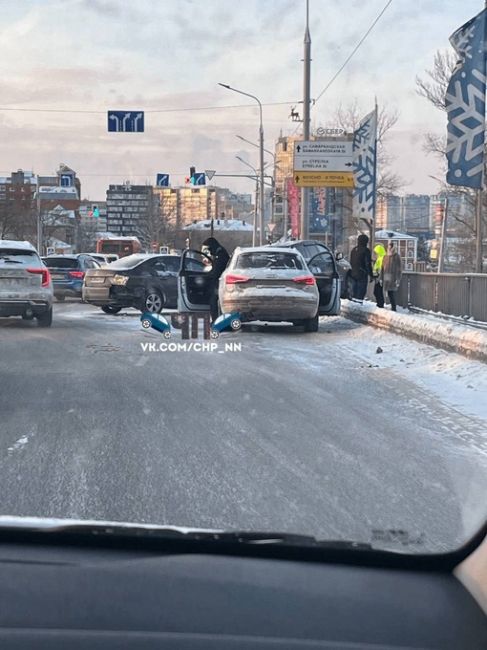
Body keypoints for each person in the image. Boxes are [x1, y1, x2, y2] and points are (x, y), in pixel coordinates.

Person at [201, 237, 230, 321]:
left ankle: (216, 321)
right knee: (214, 302)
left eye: (209, 249)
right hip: (219, 282)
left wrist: (209, 276)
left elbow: (218, 270)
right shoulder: (219, 253)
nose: (209, 252)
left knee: (214, 302)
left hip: (220, 283)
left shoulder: (220, 254)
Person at [349, 234, 373, 303]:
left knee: (354, 291)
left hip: (353, 273)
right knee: (361, 291)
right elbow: (368, 264)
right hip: (362, 274)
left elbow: (351, 262)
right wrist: (371, 275)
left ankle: (354, 304)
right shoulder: (366, 251)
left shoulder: (354, 250)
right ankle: (359, 303)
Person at [381, 241, 402, 311]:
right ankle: (390, 305)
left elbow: (399, 269)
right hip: (386, 276)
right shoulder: (385, 256)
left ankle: (394, 307)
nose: (389, 249)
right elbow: (382, 267)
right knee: (388, 292)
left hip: (393, 277)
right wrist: (381, 277)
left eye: (390, 247)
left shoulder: (396, 256)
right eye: (388, 247)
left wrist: (398, 279)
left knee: (391, 293)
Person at [372, 244, 386, 308]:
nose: (375, 254)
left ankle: (380, 304)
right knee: (377, 291)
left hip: (379, 279)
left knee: (377, 292)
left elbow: (381, 269)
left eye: (376, 252)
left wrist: (380, 279)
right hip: (377, 278)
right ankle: (379, 303)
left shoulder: (381, 259)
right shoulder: (379, 259)